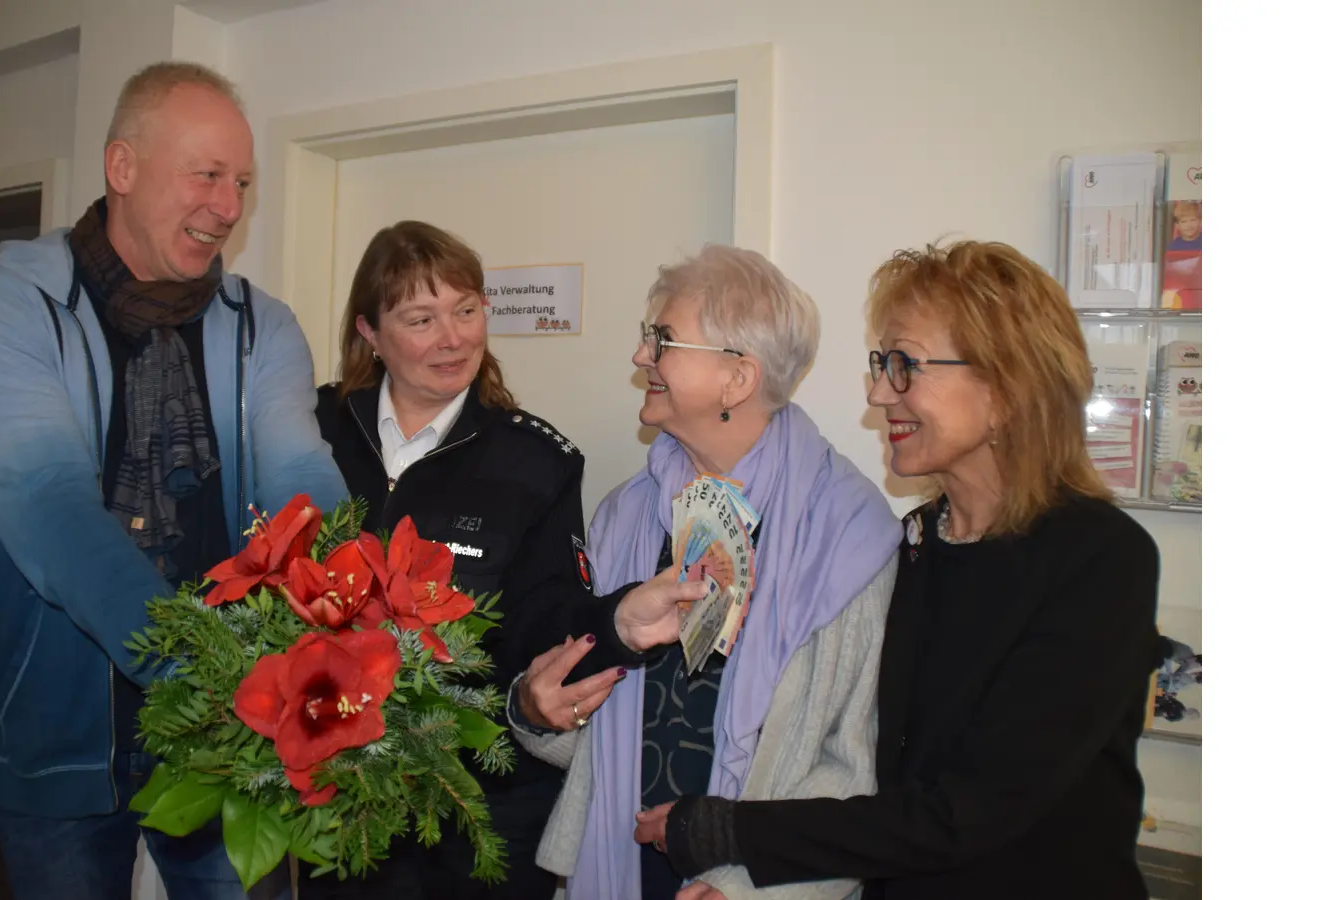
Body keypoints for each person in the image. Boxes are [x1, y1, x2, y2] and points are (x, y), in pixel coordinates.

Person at [629, 240, 1161, 899]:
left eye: (905, 365)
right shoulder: (914, 543)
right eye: (882, 364)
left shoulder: (1100, 559)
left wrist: (733, 834)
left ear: (1005, 388)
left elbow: (973, 811)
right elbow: (866, 766)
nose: (880, 393)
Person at [0, 62, 347, 899]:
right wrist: (206, 670)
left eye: (241, 181)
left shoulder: (260, 327)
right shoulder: (4, 309)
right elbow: (52, 511)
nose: (228, 206)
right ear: (122, 168)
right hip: (59, 733)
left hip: (234, 737)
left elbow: (302, 478)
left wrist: (357, 622)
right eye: (205, 175)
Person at [308, 220, 701, 900]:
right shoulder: (311, 432)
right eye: (421, 319)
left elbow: (550, 621)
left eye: (466, 310)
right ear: (369, 332)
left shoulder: (536, 462)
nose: (453, 337)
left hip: (479, 815)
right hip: (336, 804)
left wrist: (619, 623)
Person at [507, 244, 903, 900]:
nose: (641, 356)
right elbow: (596, 729)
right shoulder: (627, 515)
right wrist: (540, 712)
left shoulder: (849, 535)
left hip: (762, 883)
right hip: (621, 867)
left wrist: (741, 883)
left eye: (661, 339)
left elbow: (854, 764)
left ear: (737, 378)